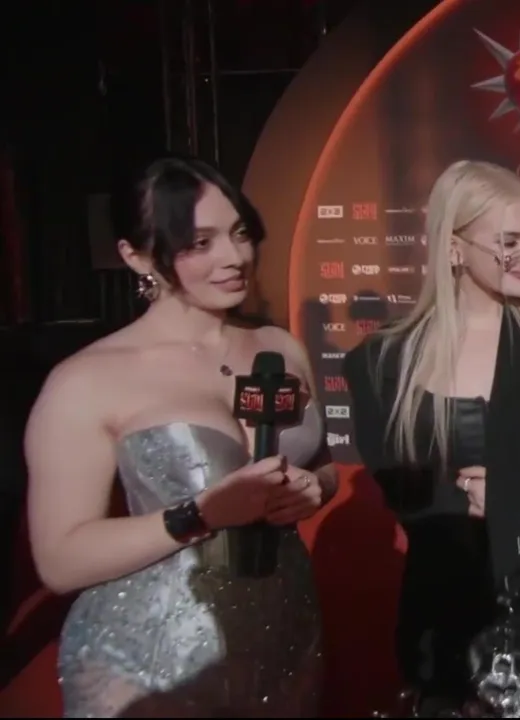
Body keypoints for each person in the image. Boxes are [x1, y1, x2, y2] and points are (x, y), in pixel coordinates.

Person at [24, 156, 333, 717]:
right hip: (149, 660)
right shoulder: (86, 380)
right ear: (136, 256)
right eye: (199, 243)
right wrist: (201, 514)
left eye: (240, 233)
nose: (234, 257)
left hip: (282, 636)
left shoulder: (280, 348)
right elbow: (61, 559)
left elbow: (323, 469)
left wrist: (313, 488)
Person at [341, 160, 520, 715]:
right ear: (454, 248)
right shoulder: (383, 361)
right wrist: (467, 496)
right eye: (509, 242)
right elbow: (403, 492)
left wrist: (516, 499)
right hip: (444, 626)